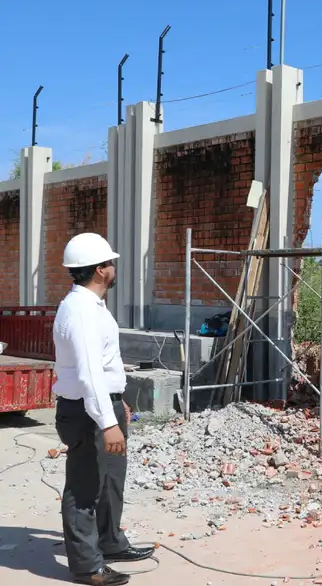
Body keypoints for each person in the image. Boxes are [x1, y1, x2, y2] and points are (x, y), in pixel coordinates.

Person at [53, 232, 153, 586]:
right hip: (85, 410)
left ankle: (110, 542)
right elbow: (89, 372)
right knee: (84, 487)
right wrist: (107, 422)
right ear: (99, 270)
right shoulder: (81, 311)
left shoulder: (92, 306)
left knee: (111, 479)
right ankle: (86, 566)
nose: (113, 269)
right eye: (109, 264)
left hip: (101, 403)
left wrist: (117, 400)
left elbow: (105, 367)